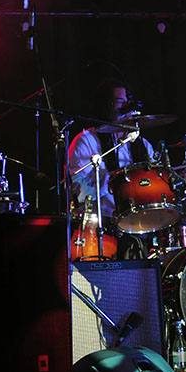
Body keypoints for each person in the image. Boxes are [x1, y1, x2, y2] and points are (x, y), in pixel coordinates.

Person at [68, 78, 156, 258]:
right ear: (106, 106)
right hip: (101, 229)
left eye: (127, 101)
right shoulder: (86, 142)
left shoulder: (143, 145)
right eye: (119, 102)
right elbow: (80, 192)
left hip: (141, 226)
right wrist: (113, 183)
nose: (126, 107)